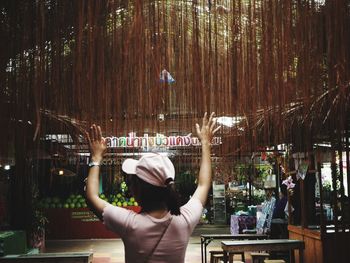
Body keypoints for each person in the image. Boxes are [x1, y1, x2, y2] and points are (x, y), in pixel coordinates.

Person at [84, 112, 220, 263]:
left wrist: (95, 158)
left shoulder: (130, 224)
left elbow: (91, 197)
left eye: (132, 182)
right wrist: (206, 145)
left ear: (139, 190)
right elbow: (203, 184)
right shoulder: (185, 219)